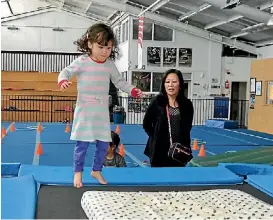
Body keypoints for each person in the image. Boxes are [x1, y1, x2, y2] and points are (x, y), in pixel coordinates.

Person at [57, 23, 142, 188]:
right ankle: (77, 173)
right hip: (84, 112)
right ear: (90, 44)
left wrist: (133, 91)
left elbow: (120, 82)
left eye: (109, 48)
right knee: (82, 145)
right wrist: (63, 80)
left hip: (101, 112)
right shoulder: (82, 61)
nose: (105, 51)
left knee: (103, 144)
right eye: (101, 46)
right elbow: (66, 72)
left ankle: (96, 170)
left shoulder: (109, 64)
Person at [142, 69, 194, 167]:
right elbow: (147, 124)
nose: (170, 85)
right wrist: (155, 136)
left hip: (179, 151)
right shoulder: (157, 102)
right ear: (164, 84)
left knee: (177, 179)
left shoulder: (187, 105)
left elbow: (188, 127)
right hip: (159, 150)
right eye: (167, 82)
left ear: (180, 85)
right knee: (159, 179)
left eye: (174, 82)